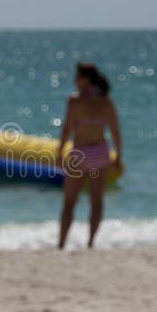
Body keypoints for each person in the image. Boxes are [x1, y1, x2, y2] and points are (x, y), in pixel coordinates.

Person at [57, 63, 123, 249]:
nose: (75, 81)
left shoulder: (75, 100)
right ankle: (91, 243)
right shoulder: (106, 102)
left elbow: (67, 129)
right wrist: (118, 156)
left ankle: (61, 244)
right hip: (100, 154)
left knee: (69, 202)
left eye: (77, 77)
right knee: (96, 202)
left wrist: (59, 152)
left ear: (85, 79)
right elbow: (116, 132)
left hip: (79, 154)